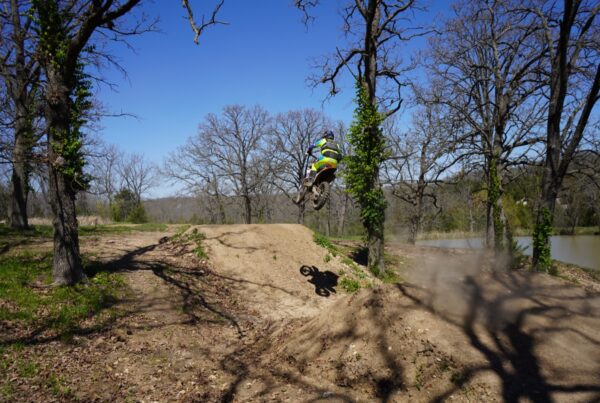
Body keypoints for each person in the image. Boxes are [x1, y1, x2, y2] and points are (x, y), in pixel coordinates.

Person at [294, 130, 342, 204]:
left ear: (325, 135)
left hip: (325, 159)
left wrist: (309, 151)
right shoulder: (337, 144)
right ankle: (320, 186)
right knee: (326, 171)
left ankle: (310, 181)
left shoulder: (323, 140)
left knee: (314, 166)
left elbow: (312, 146)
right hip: (334, 163)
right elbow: (340, 156)